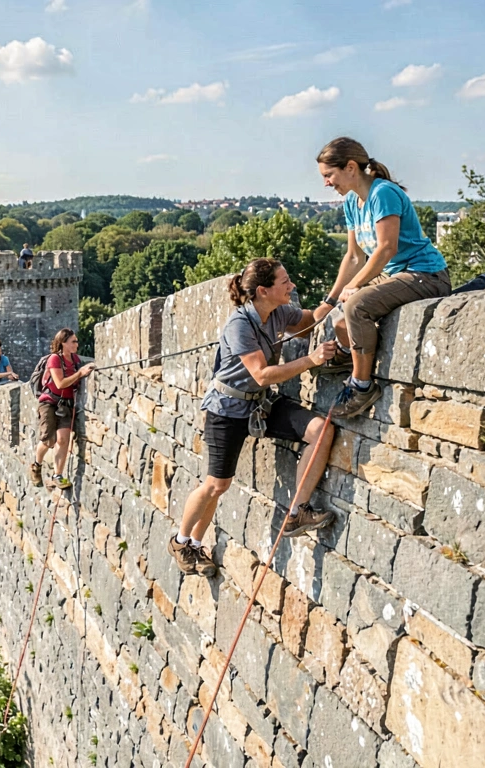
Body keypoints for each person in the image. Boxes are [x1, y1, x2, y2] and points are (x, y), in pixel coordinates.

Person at [173, 258, 338, 577]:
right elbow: (261, 374)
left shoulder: (279, 312)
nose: (291, 286)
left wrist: (337, 297)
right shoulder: (239, 324)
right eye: (285, 281)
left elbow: (310, 320)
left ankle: (297, 512)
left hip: (260, 405)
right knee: (216, 485)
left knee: (320, 430)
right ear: (263, 290)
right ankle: (184, 543)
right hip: (226, 409)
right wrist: (311, 359)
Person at [315, 137, 451, 418]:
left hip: (425, 274)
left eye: (329, 175)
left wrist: (354, 288)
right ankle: (350, 355)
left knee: (356, 306)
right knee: (340, 319)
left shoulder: (382, 193)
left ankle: (362, 386)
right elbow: (354, 257)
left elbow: (386, 248)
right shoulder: (352, 202)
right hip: (396, 275)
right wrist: (329, 300)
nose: (326, 183)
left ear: (350, 167)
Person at [31, 329, 95, 490]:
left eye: (77, 341)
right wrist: (80, 373)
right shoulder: (54, 359)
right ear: (63, 343)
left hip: (66, 404)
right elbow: (60, 384)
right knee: (49, 439)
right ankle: (36, 465)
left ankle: (57, 476)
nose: (76, 344)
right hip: (49, 402)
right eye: (73, 341)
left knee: (63, 439)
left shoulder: (74, 359)